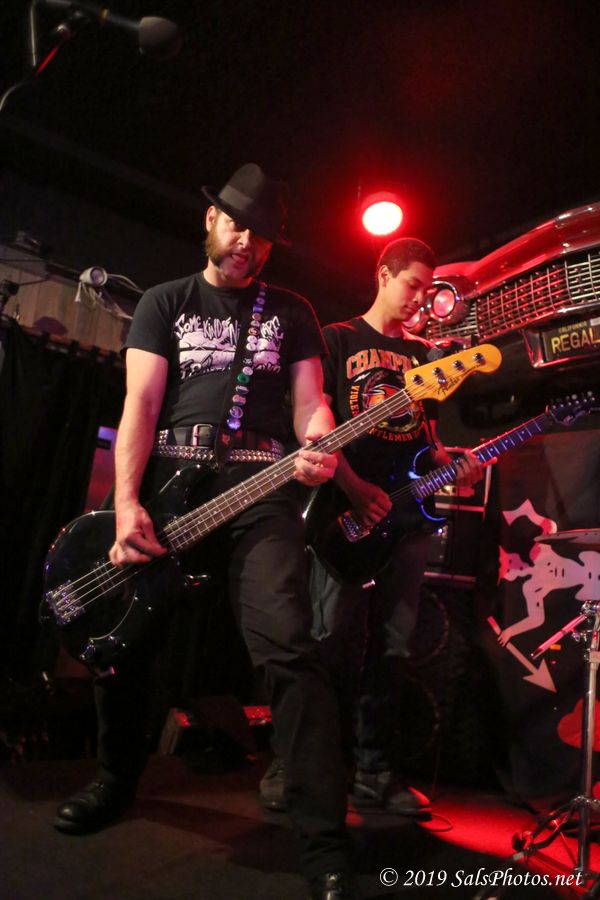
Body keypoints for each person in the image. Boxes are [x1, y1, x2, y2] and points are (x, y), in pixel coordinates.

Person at [53, 163, 362, 900]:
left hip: (261, 489)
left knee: (289, 648)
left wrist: (319, 442)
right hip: (171, 485)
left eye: (263, 235)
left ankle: (323, 841)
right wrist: (127, 504)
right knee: (122, 642)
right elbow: (140, 403)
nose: (247, 242)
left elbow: (311, 405)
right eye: (237, 224)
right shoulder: (165, 301)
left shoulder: (291, 311)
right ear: (211, 219)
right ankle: (115, 779)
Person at [259, 237, 485, 817]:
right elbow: (316, 427)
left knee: (393, 644)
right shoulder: (337, 340)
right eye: (413, 284)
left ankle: (375, 769)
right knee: (325, 639)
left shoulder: (425, 358)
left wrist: (453, 461)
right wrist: (356, 489)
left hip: (406, 518)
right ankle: (296, 763)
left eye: (428, 290)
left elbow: (426, 440)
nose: (420, 299)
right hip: (343, 512)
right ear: (383, 274)